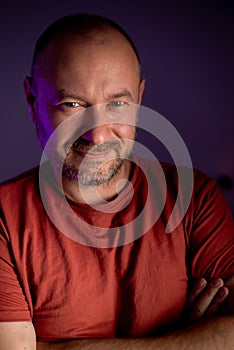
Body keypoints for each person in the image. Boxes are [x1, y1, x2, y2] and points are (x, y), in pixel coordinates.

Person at [0, 13, 233, 350]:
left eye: (117, 104)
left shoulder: (194, 197)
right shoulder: (5, 219)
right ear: (32, 100)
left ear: (139, 98)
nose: (96, 135)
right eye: (72, 104)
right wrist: (188, 339)